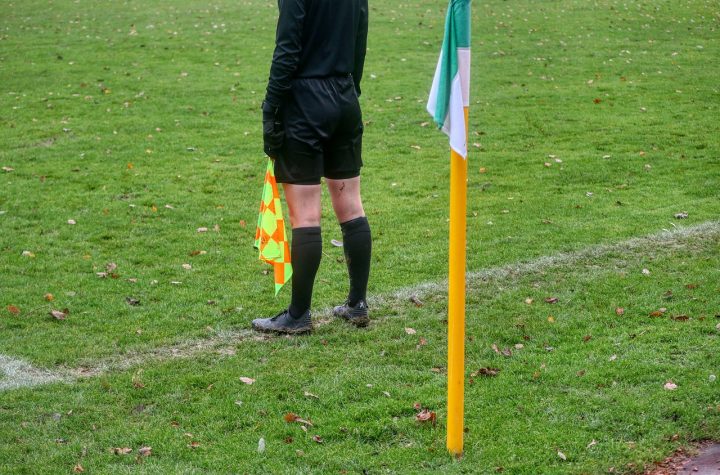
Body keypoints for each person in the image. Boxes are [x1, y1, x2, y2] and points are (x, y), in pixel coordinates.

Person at [251, 0, 371, 334]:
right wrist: (350, 88)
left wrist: (271, 107)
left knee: (305, 215)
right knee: (351, 206)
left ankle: (298, 315)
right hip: (345, 96)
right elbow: (360, 37)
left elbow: (287, 47)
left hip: (305, 100)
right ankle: (357, 304)